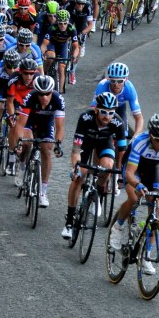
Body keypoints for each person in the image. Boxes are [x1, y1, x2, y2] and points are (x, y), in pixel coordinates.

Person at [110, 114, 159, 269]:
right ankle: (118, 227)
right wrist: (138, 185)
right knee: (134, 197)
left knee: (156, 205)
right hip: (133, 169)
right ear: (150, 136)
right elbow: (130, 173)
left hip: (152, 170)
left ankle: (146, 256)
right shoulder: (139, 142)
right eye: (158, 140)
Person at [62, 91, 128, 239]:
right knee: (80, 175)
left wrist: (121, 173)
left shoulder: (117, 123)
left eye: (111, 113)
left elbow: (122, 152)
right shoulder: (85, 118)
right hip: (86, 143)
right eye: (104, 112)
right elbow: (76, 149)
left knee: (107, 166)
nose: (107, 116)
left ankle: (97, 196)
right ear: (97, 109)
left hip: (104, 143)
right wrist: (76, 167)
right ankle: (69, 222)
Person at [14, 74, 66, 207]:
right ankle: (21, 165)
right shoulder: (30, 97)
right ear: (36, 92)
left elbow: (60, 127)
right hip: (30, 120)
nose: (44, 97)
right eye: (41, 94)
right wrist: (19, 141)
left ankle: (43, 191)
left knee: (46, 150)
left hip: (47, 123)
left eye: (47, 94)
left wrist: (58, 144)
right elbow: (20, 124)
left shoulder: (58, 99)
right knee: (27, 141)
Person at [5, 57, 40, 175]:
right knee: (14, 124)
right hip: (17, 101)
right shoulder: (14, 79)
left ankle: (29, 153)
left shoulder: (38, 80)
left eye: (31, 74)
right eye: (26, 73)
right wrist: (11, 116)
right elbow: (9, 102)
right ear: (21, 72)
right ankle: (11, 156)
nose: (28, 77)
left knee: (30, 136)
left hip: (31, 103)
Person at [0, 49, 22, 159]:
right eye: (8, 67)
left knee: (18, 115)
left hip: (15, 90)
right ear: (4, 63)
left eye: (13, 67)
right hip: (1, 88)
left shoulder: (21, 69)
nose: (11, 70)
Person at [41, 9, 79, 92]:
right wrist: (43, 53)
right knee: (51, 57)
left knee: (62, 68)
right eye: (60, 23)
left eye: (65, 23)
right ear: (57, 22)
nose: (63, 26)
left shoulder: (72, 29)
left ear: (68, 22)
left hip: (63, 45)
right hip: (52, 43)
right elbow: (44, 43)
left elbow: (76, 46)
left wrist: (74, 56)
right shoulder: (52, 27)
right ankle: (44, 73)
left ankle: (60, 91)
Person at [68, 0, 94, 68]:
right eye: (79, 3)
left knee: (79, 43)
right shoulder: (69, 3)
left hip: (82, 19)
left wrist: (82, 33)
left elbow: (90, 25)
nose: (81, 6)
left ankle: (73, 69)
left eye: (83, 4)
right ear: (75, 1)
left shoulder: (88, 6)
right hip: (72, 17)